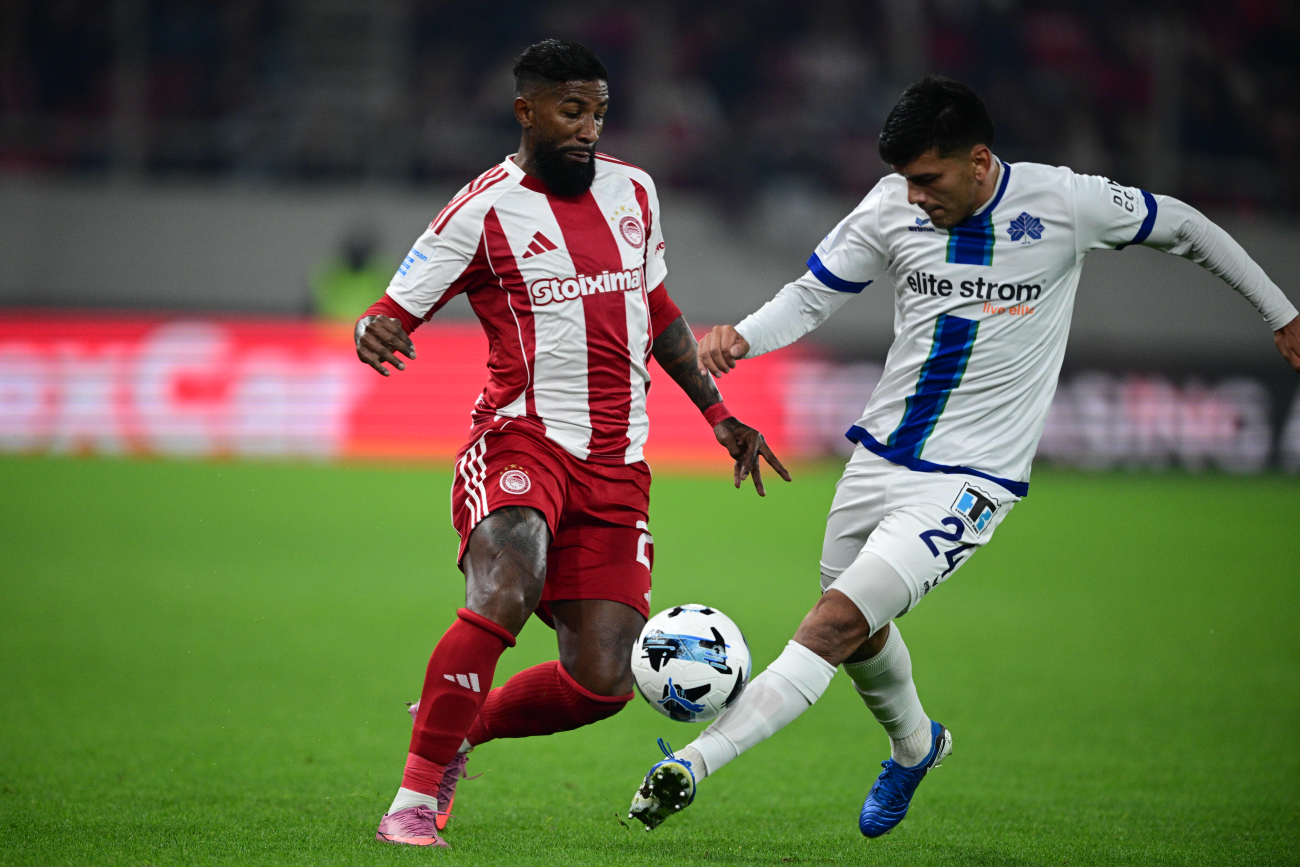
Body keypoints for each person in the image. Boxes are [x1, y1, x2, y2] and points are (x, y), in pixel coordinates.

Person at [628, 75, 1300, 838]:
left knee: (834, 623)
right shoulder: (891, 205)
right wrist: (744, 336)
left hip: (971, 479)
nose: (915, 196)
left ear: (979, 161)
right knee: (859, 629)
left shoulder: (1064, 203)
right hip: (879, 455)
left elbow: (1184, 224)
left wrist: (1282, 314)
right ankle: (916, 745)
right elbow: (814, 292)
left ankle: (692, 765)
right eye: (906, 180)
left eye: (928, 178)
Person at [354, 39, 788, 848]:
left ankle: (457, 726)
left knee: (603, 681)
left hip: (618, 462)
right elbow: (391, 307)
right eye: (571, 110)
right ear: (526, 111)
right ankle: (410, 802)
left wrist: (718, 412)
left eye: (598, 112)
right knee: (506, 587)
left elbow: (657, 310)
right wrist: (370, 328)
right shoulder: (480, 210)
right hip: (522, 438)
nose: (589, 128)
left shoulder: (635, 191)